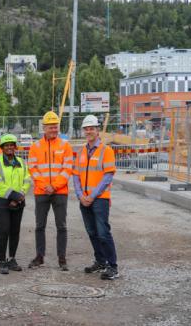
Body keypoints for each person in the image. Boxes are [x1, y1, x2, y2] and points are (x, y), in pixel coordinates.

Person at [73, 114, 119, 280]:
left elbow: (107, 177)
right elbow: (76, 175)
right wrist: (80, 195)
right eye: (86, 128)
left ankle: (112, 266)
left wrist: (91, 196)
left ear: (97, 130)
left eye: (91, 128)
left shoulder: (106, 151)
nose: (89, 131)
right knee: (92, 232)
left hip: (99, 199)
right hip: (84, 199)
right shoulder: (81, 152)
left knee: (102, 232)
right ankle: (100, 261)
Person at [28, 111, 74, 271]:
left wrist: (54, 186)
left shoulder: (65, 145)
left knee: (61, 226)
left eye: (56, 127)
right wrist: (44, 186)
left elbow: (67, 169)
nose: (54, 130)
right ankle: (39, 257)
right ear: (44, 128)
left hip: (59, 192)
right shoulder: (35, 147)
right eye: (51, 127)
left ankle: (62, 259)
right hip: (41, 192)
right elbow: (32, 169)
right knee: (40, 226)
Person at [0, 134, 31, 274]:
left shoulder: (21, 162)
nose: (9, 147)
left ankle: (12, 259)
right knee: (4, 229)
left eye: (11, 145)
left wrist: (21, 195)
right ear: (2, 148)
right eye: (6, 145)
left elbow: (27, 180)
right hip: (2, 201)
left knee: (15, 231)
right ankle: (2, 261)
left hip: (18, 201)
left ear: (15, 147)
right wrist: (14, 196)